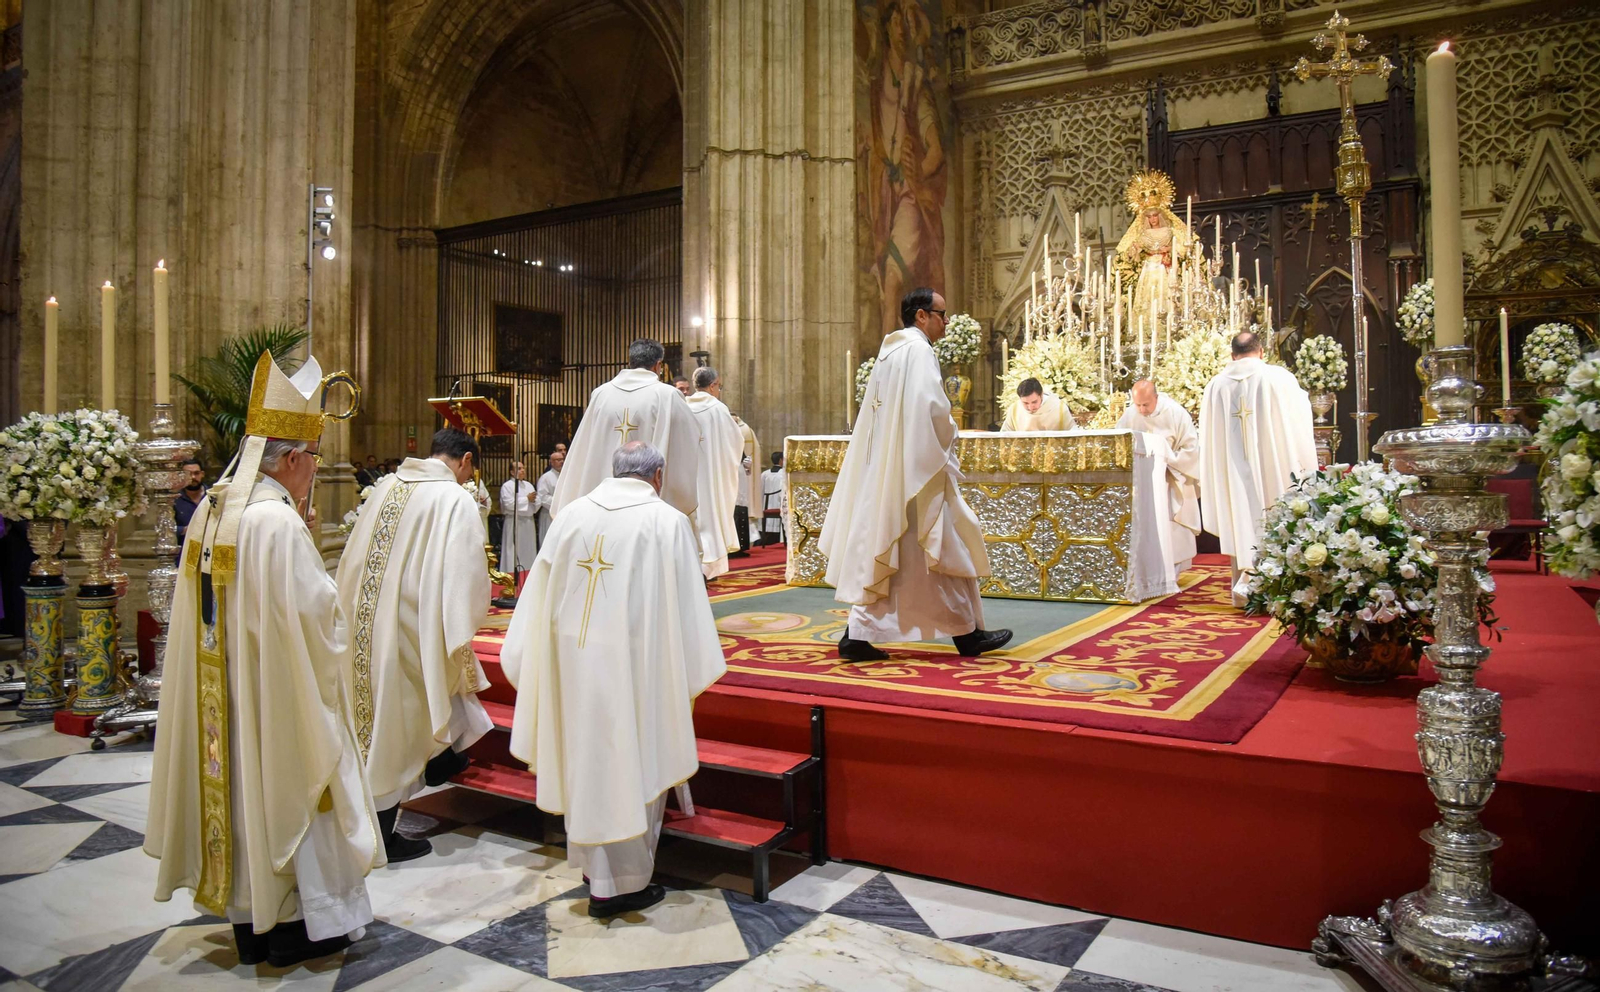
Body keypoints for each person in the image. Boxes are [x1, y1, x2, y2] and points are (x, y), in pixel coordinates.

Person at [147, 352, 383, 969]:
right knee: (294, 786)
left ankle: (252, 922)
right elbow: (316, 617)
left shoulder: (213, 509)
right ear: (295, 459)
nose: (314, 474)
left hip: (222, 697)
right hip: (277, 696)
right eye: (314, 462)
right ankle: (304, 925)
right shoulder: (275, 524)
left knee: (244, 795)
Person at [500, 442, 726, 917]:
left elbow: (536, 597)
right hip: (635, 665)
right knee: (633, 757)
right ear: (658, 476)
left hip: (573, 658)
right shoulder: (666, 522)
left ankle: (592, 868)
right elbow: (688, 608)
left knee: (587, 757)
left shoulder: (571, 515)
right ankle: (621, 883)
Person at [820, 287, 1012, 662]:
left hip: (894, 470)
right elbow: (933, 408)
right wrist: (951, 435)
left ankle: (858, 636)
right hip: (917, 474)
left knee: (896, 555)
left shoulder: (889, 351)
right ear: (921, 316)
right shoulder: (919, 351)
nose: (946, 321)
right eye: (942, 314)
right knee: (939, 548)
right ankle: (967, 636)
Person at [333, 426, 494, 863]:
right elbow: (465, 578)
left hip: (367, 621)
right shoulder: (452, 498)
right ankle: (383, 835)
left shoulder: (387, 485)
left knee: (381, 723)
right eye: (469, 470)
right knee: (397, 730)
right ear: (464, 461)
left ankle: (442, 765)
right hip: (412, 628)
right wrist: (463, 623)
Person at [1199, 330, 1318, 605]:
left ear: (1232, 355)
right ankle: (1281, 595)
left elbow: (1208, 439)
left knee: (1240, 515)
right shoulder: (1280, 379)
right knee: (1276, 516)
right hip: (1274, 467)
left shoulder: (1215, 386)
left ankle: (1245, 591)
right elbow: (1300, 425)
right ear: (1262, 351)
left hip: (1231, 471)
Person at [552, 339, 700, 520]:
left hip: (602, 500)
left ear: (630, 361)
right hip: (647, 505)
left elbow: (585, 445)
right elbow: (688, 441)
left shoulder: (601, 394)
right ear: (658, 365)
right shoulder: (667, 395)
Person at [1118, 379, 1201, 576]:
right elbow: (1120, 440)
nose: (1142, 409)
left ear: (1156, 397)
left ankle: (1173, 570)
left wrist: (1168, 460)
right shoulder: (1131, 414)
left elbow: (1191, 448)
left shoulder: (1175, 412)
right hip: (1142, 480)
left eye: (1146, 404)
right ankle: (1147, 570)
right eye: (1138, 404)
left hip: (1171, 478)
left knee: (1172, 526)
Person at [685, 367, 745, 579]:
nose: (719, 390)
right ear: (712, 385)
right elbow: (735, 443)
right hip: (712, 475)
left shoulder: (684, 406)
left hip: (689, 475)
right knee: (711, 514)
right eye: (719, 386)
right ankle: (709, 566)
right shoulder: (718, 409)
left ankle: (690, 563)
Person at [499, 461, 537, 574]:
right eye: (519, 468)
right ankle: (511, 573)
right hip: (514, 522)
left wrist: (534, 500)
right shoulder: (507, 486)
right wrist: (527, 499)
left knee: (528, 549)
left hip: (528, 522)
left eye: (523, 468)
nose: (523, 470)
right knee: (513, 550)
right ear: (511, 472)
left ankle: (528, 573)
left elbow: (537, 501)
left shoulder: (528, 485)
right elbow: (508, 504)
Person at [731, 413, 760, 555]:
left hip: (739, 476)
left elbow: (742, 457)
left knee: (740, 508)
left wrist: (746, 464)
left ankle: (741, 546)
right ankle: (734, 547)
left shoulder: (737, 438)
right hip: (731, 476)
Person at [1001, 378, 1069, 431]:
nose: (1030, 407)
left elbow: (1073, 434)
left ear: (1041, 395)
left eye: (1034, 402)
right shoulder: (1015, 409)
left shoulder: (1059, 407)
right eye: (1025, 403)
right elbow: (1005, 436)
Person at [532, 450, 564, 549]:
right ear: (552, 462)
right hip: (549, 515)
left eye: (562, 459)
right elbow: (543, 497)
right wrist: (560, 501)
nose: (561, 462)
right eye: (558, 460)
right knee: (549, 545)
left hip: (563, 513)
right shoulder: (546, 478)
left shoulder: (565, 476)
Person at [173, 459, 207, 543]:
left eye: (196, 473)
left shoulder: (213, 495)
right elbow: (164, 527)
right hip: (184, 548)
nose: (193, 477)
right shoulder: (174, 498)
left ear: (202, 474)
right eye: (188, 474)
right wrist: (185, 530)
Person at [759, 451, 786, 546]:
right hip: (778, 504)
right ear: (780, 460)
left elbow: (760, 490)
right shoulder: (784, 473)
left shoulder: (764, 474)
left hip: (766, 504)